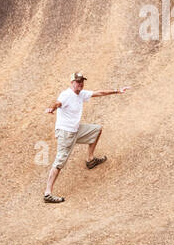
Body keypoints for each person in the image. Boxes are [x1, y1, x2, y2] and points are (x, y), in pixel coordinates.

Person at [43, 72, 129, 203]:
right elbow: (57, 103)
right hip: (66, 133)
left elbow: (98, 93)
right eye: (77, 81)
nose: (80, 84)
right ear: (72, 82)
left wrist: (117, 91)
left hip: (76, 130)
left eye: (82, 81)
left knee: (97, 129)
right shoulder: (66, 95)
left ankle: (90, 160)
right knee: (59, 163)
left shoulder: (81, 94)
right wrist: (51, 108)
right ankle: (47, 194)